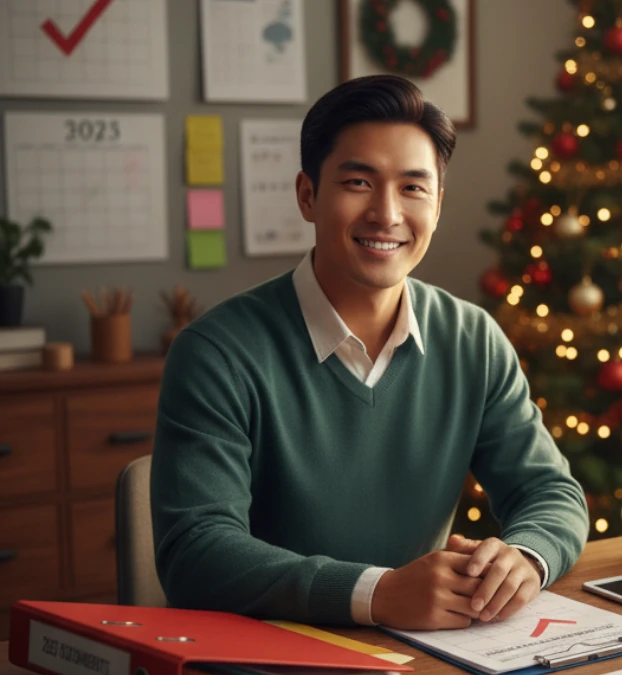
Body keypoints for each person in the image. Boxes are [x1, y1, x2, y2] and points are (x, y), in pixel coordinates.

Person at [151, 75, 589, 630]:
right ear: (308, 195)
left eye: (413, 188)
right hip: (270, 653)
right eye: (358, 182)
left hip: (424, 649)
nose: (386, 213)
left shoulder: (473, 340)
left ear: (438, 204)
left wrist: (525, 557)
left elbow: (549, 492)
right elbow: (195, 551)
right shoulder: (217, 353)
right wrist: (375, 593)